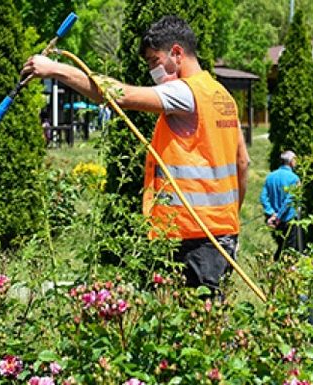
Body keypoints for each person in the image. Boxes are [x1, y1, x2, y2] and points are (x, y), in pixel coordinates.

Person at [22, 15, 250, 295]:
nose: (152, 71)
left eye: (155, 61)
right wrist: (229, 221)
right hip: (221, 235)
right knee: (212, 325)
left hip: (191, 238)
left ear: (176, 54)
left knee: (188, 329)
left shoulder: (185, 93)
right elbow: (243, 162)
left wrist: (55, 69)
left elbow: (120, 95)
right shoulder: (222, 96)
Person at [260, 150, 303, 261]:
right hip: (288, 219)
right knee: (289, 250)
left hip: (273, 221)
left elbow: (263, 197)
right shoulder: (294, 179)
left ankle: (276, 267)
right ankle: (282, 272)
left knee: (280, 245)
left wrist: (271, 213)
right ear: (290, 161)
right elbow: (289, 200)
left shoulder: (270, 177)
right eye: (295, 159)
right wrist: (278, 216)